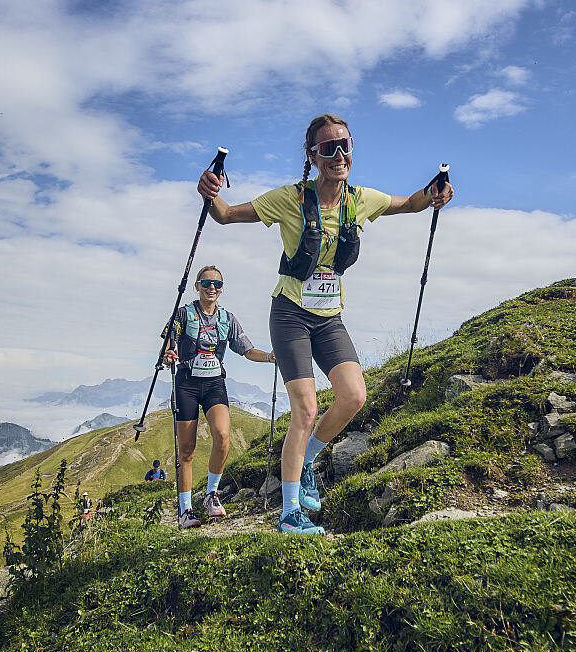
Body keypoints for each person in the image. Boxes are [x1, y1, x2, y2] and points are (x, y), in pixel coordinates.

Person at [197, 113, 453, 538]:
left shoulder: (360, 199)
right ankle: (290, 511)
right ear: (312, 156)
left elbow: (409, 204)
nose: (339, 155)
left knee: (354, 395)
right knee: (307, 408)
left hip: (329, 318)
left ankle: (309, 460)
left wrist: (434, 192)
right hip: (291, 314)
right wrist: (210, 193)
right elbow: (224, 215)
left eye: (345, 145)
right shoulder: (290, 198)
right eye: (328, 148)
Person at [163, 264, 275, 528]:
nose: (211, 287)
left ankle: (211, 495)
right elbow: (167, 344)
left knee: (223, 436)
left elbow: (247, 350)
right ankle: (185, 510)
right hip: (187, 384)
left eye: (217, 284)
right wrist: (168, 354)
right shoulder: (182, 314)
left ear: (222, 289)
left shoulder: (228, 319)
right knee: (187, 451)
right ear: (197, 286)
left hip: (214, 384)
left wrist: (270, 357)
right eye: (206, 283)